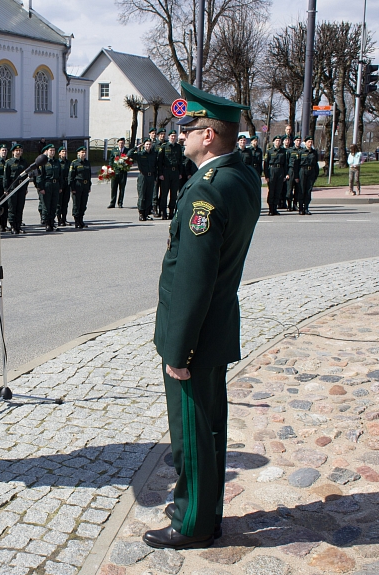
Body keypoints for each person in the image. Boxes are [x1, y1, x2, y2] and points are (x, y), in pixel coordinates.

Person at [144, 81, 260, 551]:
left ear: (209, 135)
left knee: (191, 433)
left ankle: (191, 522)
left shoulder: (205, 193)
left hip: (194, 333)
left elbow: (194, 279)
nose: (182, 134)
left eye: (188, 127)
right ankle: (208, 513)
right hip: (216, 326)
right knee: (210, 428)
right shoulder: (241, 175)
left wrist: (178, 348)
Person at [128, 139, 158, 221]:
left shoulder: (153, 154)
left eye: (149, 144)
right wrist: (136, 147)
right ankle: (141, 213)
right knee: (142, 196)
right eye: (147, 144)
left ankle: (147, 213)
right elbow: (129, 154)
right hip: (143, 176)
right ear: (144, 145)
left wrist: (155, 177)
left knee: (149, 196)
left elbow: (155, 166)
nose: (148, 146)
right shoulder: (140, 154)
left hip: (151, 176)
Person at [157, 130, 184, 220]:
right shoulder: (164, 147)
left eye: (174, 136)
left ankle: (171, 212)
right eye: (172, 136)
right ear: (168, 137)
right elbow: (160, 161)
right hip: (166, 172)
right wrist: (160, 173)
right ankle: (163, 212)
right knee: (164, 193)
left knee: (174, 194)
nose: (173, 137)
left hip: (175, 172)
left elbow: (180, 161)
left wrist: (180, 173)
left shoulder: (178, 147)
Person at [36, 143, 62, 232]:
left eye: (54, 150)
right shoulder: (43, 162)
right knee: (46, 205)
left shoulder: (57, 162)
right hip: (47, 185)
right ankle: (47, 223)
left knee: (54, 205)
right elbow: (39, 176)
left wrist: (60, 186)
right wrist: (41, 187)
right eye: (50, 150)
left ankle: (52, 222)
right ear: (46, 152)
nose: (52, 152)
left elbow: (60, 175)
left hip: (55, 185)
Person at [5, 143, 28, 234]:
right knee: (12, 207)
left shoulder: (24, 162)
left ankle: (18, 225)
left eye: (20, 151)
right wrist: (6, 188)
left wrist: (25, 188)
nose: (18, 152)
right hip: (12, 187)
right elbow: (6, 177)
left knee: (20, 207)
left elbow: (27, 176)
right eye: (17, 151)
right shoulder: (9, 162)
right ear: (13, 152)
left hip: (21, 187)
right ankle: (13, 226)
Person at [263, 135, 287, 216]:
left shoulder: (283, 151)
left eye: (279, 141)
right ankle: (270, 209)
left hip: (280, 171)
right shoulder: (269, 151)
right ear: (273, 142)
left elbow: (285, 164)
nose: (278, 142)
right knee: (272, 190)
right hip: (272, 171)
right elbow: (266, 164)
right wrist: (266, 175)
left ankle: (275, 208)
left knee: (278, 191)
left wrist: (285, 174)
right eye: (276, 140)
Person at [69, 146, 92, 229]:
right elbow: (71, 177)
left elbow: (89, 175)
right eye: (82, 152)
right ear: (78, 153)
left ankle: (81, 220)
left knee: (83, 204)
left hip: (85, 186)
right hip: (77, 185)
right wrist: (72, 188)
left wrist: (89, 186)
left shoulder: (87, 163)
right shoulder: (74, 163)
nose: (84, 154)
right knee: (77, 204)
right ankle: (76, 221)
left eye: (85, 152)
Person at [299, 136, 319, 214]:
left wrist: (316, 175)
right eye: (309, 142)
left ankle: (306, 207)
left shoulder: (314, 152)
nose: (310, 143)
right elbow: (297, 164)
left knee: (308, 190)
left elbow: (316, 164)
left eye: (311, 142)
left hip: (311, 172)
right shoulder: (301, 152)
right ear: (305, 143)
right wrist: (297, 176)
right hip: (302, 171)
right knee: (302, 190)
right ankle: (301, 208)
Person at [108, 137, 129, 208]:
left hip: (123, 172)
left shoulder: (127, 151)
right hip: (115, 172)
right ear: (118, 143)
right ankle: (112, 203)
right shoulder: (114, 151)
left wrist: (127, 165)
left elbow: (130, 160)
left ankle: (120, 203)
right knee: (113, 187)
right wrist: (111, 168)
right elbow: (111, 160)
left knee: (122, 188)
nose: (121, 144)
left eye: (122, 143)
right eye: (120, 143)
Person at [285, 135, 302, 211]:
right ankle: (289, 205)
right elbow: (286, 162)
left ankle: (295, 204)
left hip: (299, 171)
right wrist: (286, 173)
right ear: (294, 141)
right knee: (289, 189)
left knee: (298, 189)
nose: (298, 142)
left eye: (299, 140)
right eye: (297, 140)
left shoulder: (302, 151)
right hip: (291, 170)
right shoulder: (290, 151)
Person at [57, 146, 72, 226]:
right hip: (60, 184)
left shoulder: (69, 163)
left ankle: (64, 218)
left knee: (65, 202)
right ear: (59, 153)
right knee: (59, 203)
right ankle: (59, 219)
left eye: (65, 151)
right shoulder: (57, 162)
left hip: (67, 183)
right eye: (62, 151)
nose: (64, 153)